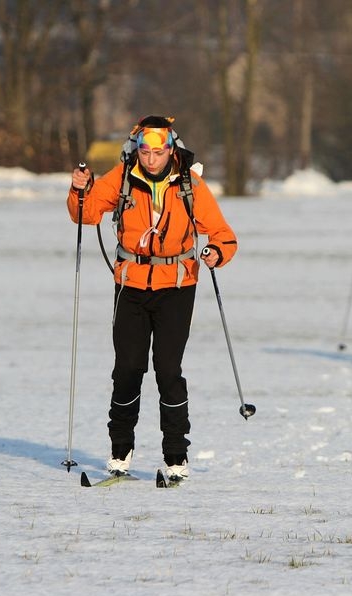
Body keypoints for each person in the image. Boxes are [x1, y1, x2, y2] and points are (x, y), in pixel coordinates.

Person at [68, 115, 238, 483]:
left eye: (158, 152)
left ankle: (176, 456)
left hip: (177, 287)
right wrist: (79, 189)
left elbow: (223, 234)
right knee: (128, 369)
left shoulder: (190, 185)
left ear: (170, 149)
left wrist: (216, 253)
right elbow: (86, 213)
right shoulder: (122, 177)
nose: (151, 159)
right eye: (145, 151)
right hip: (130, 286)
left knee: (167, 369)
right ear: (137, 149)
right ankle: (119, 453)